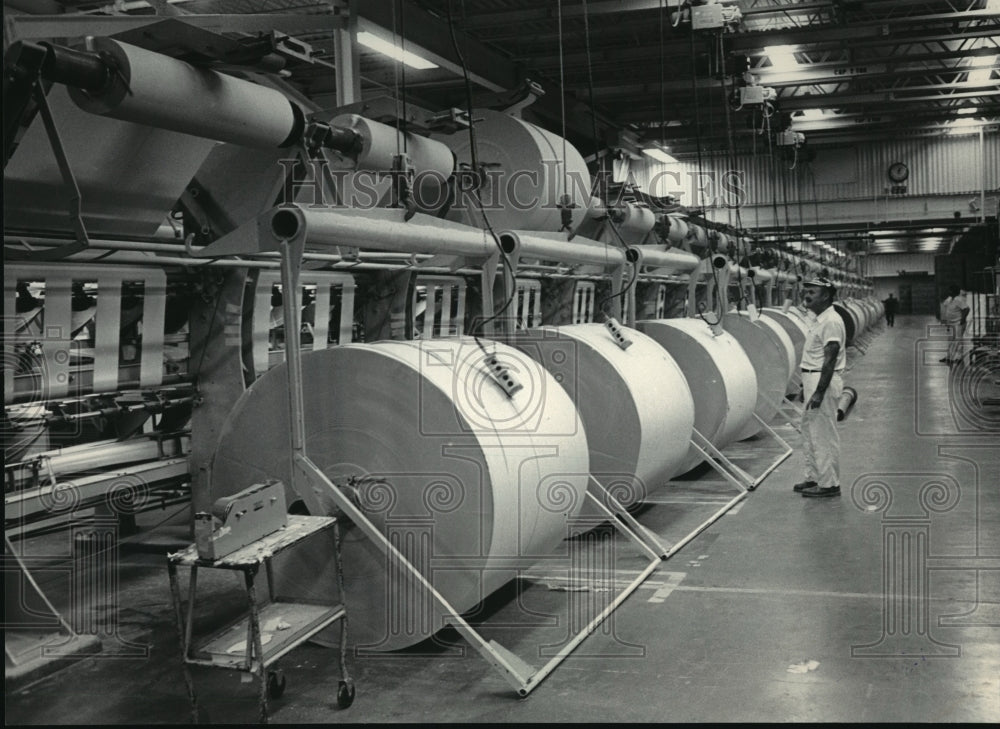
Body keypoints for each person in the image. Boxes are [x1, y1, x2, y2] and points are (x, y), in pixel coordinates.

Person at [793, 276, 846, 498]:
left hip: (822, 380)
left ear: (825, 295)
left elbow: (830, 359)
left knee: (823, 434)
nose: (806, 295)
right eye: (806, 290)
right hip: (812, 378)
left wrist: (819, 391)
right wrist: (805, 386)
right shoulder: (819, 319)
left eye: (812, 292)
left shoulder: (831, 321)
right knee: (810, 431)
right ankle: (814, 477)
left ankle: (829, 484)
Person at [939, 285, 969, 365]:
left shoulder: (959, 300)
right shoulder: (949, 299)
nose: (949, 292)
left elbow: (967, 309)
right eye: (949, 290)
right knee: (950, 341)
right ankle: (949, 357)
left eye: (951, 291)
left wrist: (962, 319)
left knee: (958, 341)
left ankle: (959, 358)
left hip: (958, 323)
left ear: (955, 292)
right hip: (951, 323)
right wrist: (946, 323)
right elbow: (945, 306)